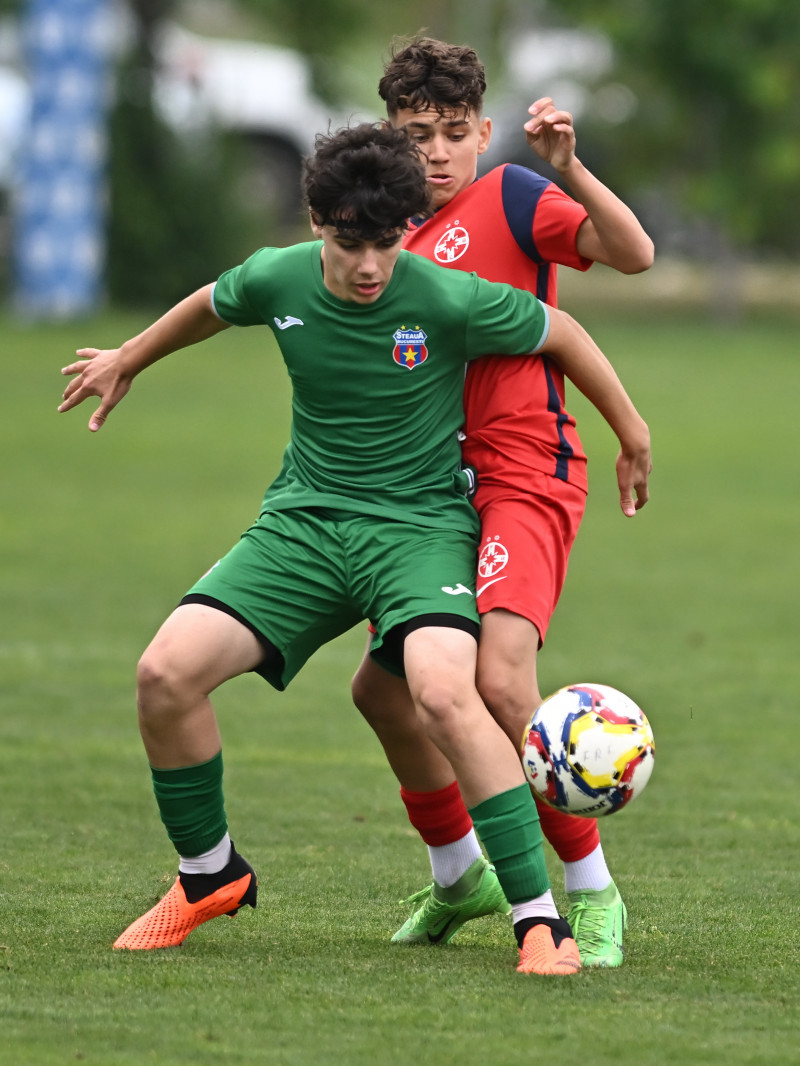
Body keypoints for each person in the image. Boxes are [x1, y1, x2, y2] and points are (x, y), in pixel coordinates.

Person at [58, 122, 649, 975]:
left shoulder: (444, 294)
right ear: (315, 225)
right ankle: (208, 875)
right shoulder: (277, 276)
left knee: (449, 695)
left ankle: (539, 920)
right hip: (303, 526)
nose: (370, 266)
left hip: (419, 530)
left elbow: (562, 334)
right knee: (165, 674)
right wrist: (129, 358)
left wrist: (629, 433)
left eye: (386, 243)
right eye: (349, 244)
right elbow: (211, 304)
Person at [350, 37, 655, 967]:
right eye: (415, 135)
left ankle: (594, 896)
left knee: (501, 680)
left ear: (483, 131)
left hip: (525, 471)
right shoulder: (383, 234)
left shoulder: (515, 196)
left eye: (451, 133)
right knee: (382, 691)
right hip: (435, 492)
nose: (435, 153)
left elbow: (633, 254)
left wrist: (569, 166)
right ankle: (460, 876)